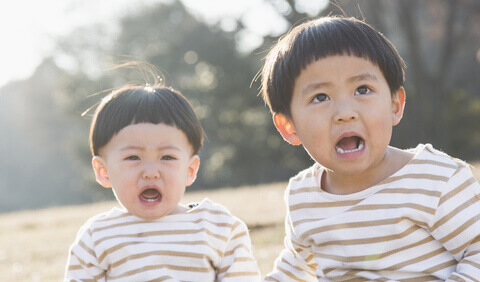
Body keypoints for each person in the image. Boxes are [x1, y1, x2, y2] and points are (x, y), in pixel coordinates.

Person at [259, 16, 480, 281]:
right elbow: (294, 270)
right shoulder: (303, 196)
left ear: (395, 105)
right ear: (289, 126)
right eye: (320, 97)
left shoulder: (437, 180)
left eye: (362, 89)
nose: (345, 113)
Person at [65, 82, 261, 281]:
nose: (151, 173)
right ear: (103, 171)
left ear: (190, 170)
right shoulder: (97, 238)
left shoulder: (219, 228)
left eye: (167, 157)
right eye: (133, 157)